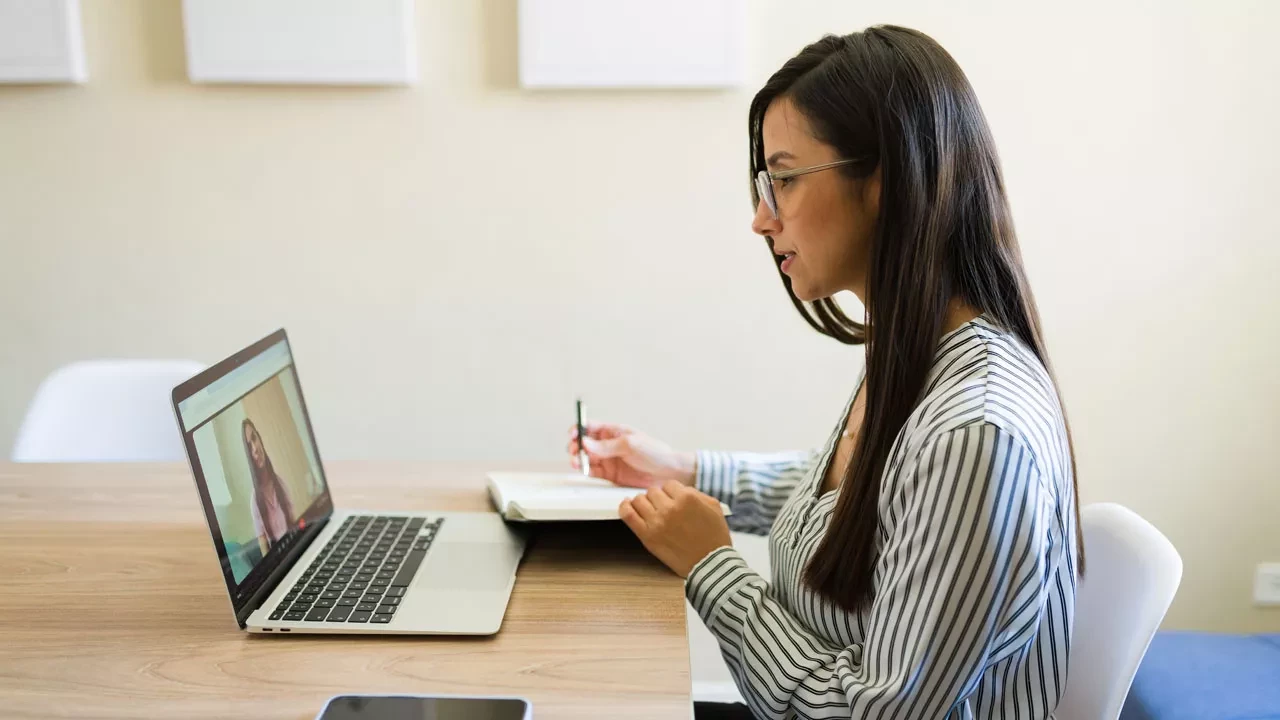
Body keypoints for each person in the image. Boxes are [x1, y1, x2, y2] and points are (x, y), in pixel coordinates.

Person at [568, 25, 1082, 720]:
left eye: (783, 179)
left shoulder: (977, 434)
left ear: (886, 181)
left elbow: (870, 713)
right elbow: (856, 503)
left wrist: (713, 569)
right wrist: (683, 471)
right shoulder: (922, 355)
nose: (760, 218)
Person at [242, 418, 295, 551]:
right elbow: (265, 550)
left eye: (254, 438)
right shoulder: (255, 501)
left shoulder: (280, 484)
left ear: (260, 439)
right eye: (249, 446)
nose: (254, 449)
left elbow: (295, 525)